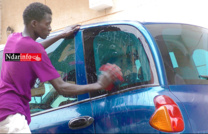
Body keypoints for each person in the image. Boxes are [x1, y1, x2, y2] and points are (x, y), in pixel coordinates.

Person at [0, 2, 122, 133]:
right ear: (34, 23)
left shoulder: (13, 39)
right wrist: (99, 85)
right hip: (11, 116)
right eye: (47, 24)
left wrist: (60, 36)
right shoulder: (33, 50)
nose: (50, 28)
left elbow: (28, 54)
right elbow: (62, 88)